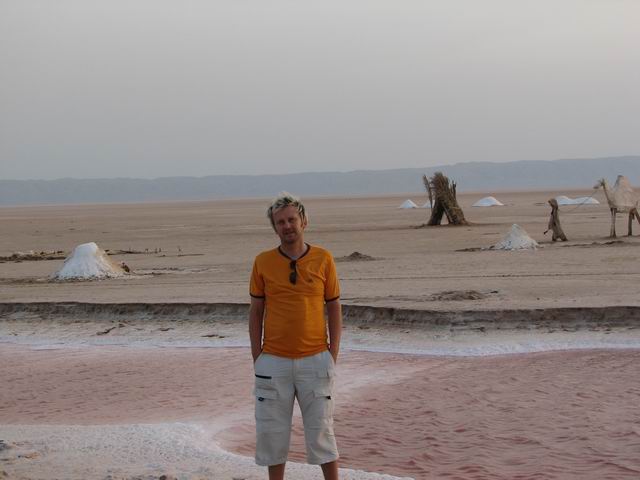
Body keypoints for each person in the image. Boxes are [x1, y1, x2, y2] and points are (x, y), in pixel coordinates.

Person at [249, 192, 342, 480]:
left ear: (304, 221)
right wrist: (258, 357)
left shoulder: (323, 258)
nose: (287, 226)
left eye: (292, 220)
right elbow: (256, 312)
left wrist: (332, 354)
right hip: (273, 362)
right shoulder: (263, 262)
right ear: (275, 227)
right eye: (281, 222)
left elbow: (334, 307)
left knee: (322, 432)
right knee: (272, 434)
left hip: (316, 360)